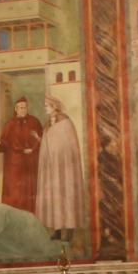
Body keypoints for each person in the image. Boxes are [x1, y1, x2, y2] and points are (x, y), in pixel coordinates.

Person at [35, 97, 87, 241]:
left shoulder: (65, 122)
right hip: (52, 169)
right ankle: (57, 231)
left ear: (54, 107)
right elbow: (48, 144)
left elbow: (70, 146)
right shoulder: (47, 124)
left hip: (65, 169)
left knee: (67, 198)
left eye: (47, 106)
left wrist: (58, 155)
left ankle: (69, 232)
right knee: (54, 198)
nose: (45, 108)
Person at [0, 98, 44, 213]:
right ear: (16, 109)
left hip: (30, 162)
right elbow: (5, 142)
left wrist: (32, 149)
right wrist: (0, 144)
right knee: (15, 191)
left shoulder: (34, 121)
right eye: (21, 108)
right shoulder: (10, 124)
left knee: (29, 189)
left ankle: (31, 215)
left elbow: (41, 140)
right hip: (14, 164)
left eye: (25, 107)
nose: (23, 110)